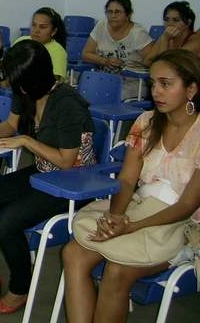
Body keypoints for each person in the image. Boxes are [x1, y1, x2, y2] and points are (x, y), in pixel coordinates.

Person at [62, 49, 200, 323]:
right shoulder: (146, 122)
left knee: (117, 271)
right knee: (73, 253)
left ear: (191, 89)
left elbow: (187, 205)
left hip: (180, 224)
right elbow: (126, 180)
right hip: (139, 208)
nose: (156, 92)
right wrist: (116, 216)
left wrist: (131, 226)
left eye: (166, 84)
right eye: (153, 83)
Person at [0, 39, 96, 315]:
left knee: (8, 223)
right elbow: (11, 125)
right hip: (44, 171)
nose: (15, 89)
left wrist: (26, 141)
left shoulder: (67, 103)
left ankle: (21, 288)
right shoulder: (26, 90)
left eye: (19, 83)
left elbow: (66, 161)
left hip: (73, 182)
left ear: (35, 79)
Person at [82, 0, 153, 99]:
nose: (113, 16)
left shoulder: (138, 34)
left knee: (106, 95)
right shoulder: (102, 25)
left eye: (117, 12)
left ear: (128, 14)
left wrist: (126, 66)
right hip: (104, 77)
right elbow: (86, 54)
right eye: (109, 12)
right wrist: (104, 61)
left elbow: (151, 62)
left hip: (132, 81)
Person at [12, 6, 67, 81]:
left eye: (43, 27)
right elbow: (6, 66)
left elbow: (53, 82)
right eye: (34, 25)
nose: (36, 30)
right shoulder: (21, 41)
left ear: (53, 31)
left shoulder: (57, 51)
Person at [144, 1, 196, 65]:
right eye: (166, 19)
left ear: (188, 23)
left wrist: (165, 40)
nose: (170, 24)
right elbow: (146, 62)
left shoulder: (194, 41)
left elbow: (165, 65)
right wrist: (165, 38)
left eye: (176, 20)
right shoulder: (166, 35)